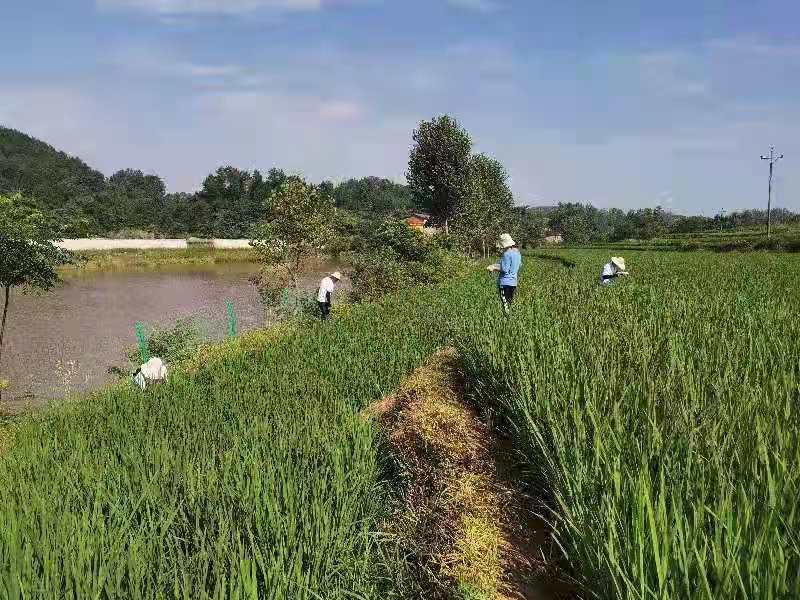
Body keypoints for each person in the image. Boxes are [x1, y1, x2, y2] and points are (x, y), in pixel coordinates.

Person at [487, 233, 522, 315]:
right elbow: (519, 265)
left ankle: (506, 319)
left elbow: (504, 269)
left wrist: (493, 267)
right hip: (513, 282)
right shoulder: (517, 254)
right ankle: (510, 319)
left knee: (505, 304)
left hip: (504, 283)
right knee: (510, 303)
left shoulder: (506, 254)